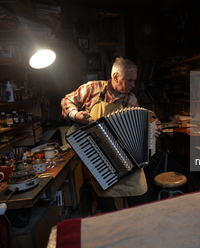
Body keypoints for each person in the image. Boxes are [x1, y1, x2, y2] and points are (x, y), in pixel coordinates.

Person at [61, 56, 160, 212]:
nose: (133, 85)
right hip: (102, 164)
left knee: (140, 211)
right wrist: (76, 115)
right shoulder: (91, 89)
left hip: (129, 165)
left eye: (134, 80)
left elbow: (140, 129)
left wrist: (152, 131)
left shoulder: (131, 99)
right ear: (115, 77)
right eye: (129, 80)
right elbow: (66, 101)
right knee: (110, 216)